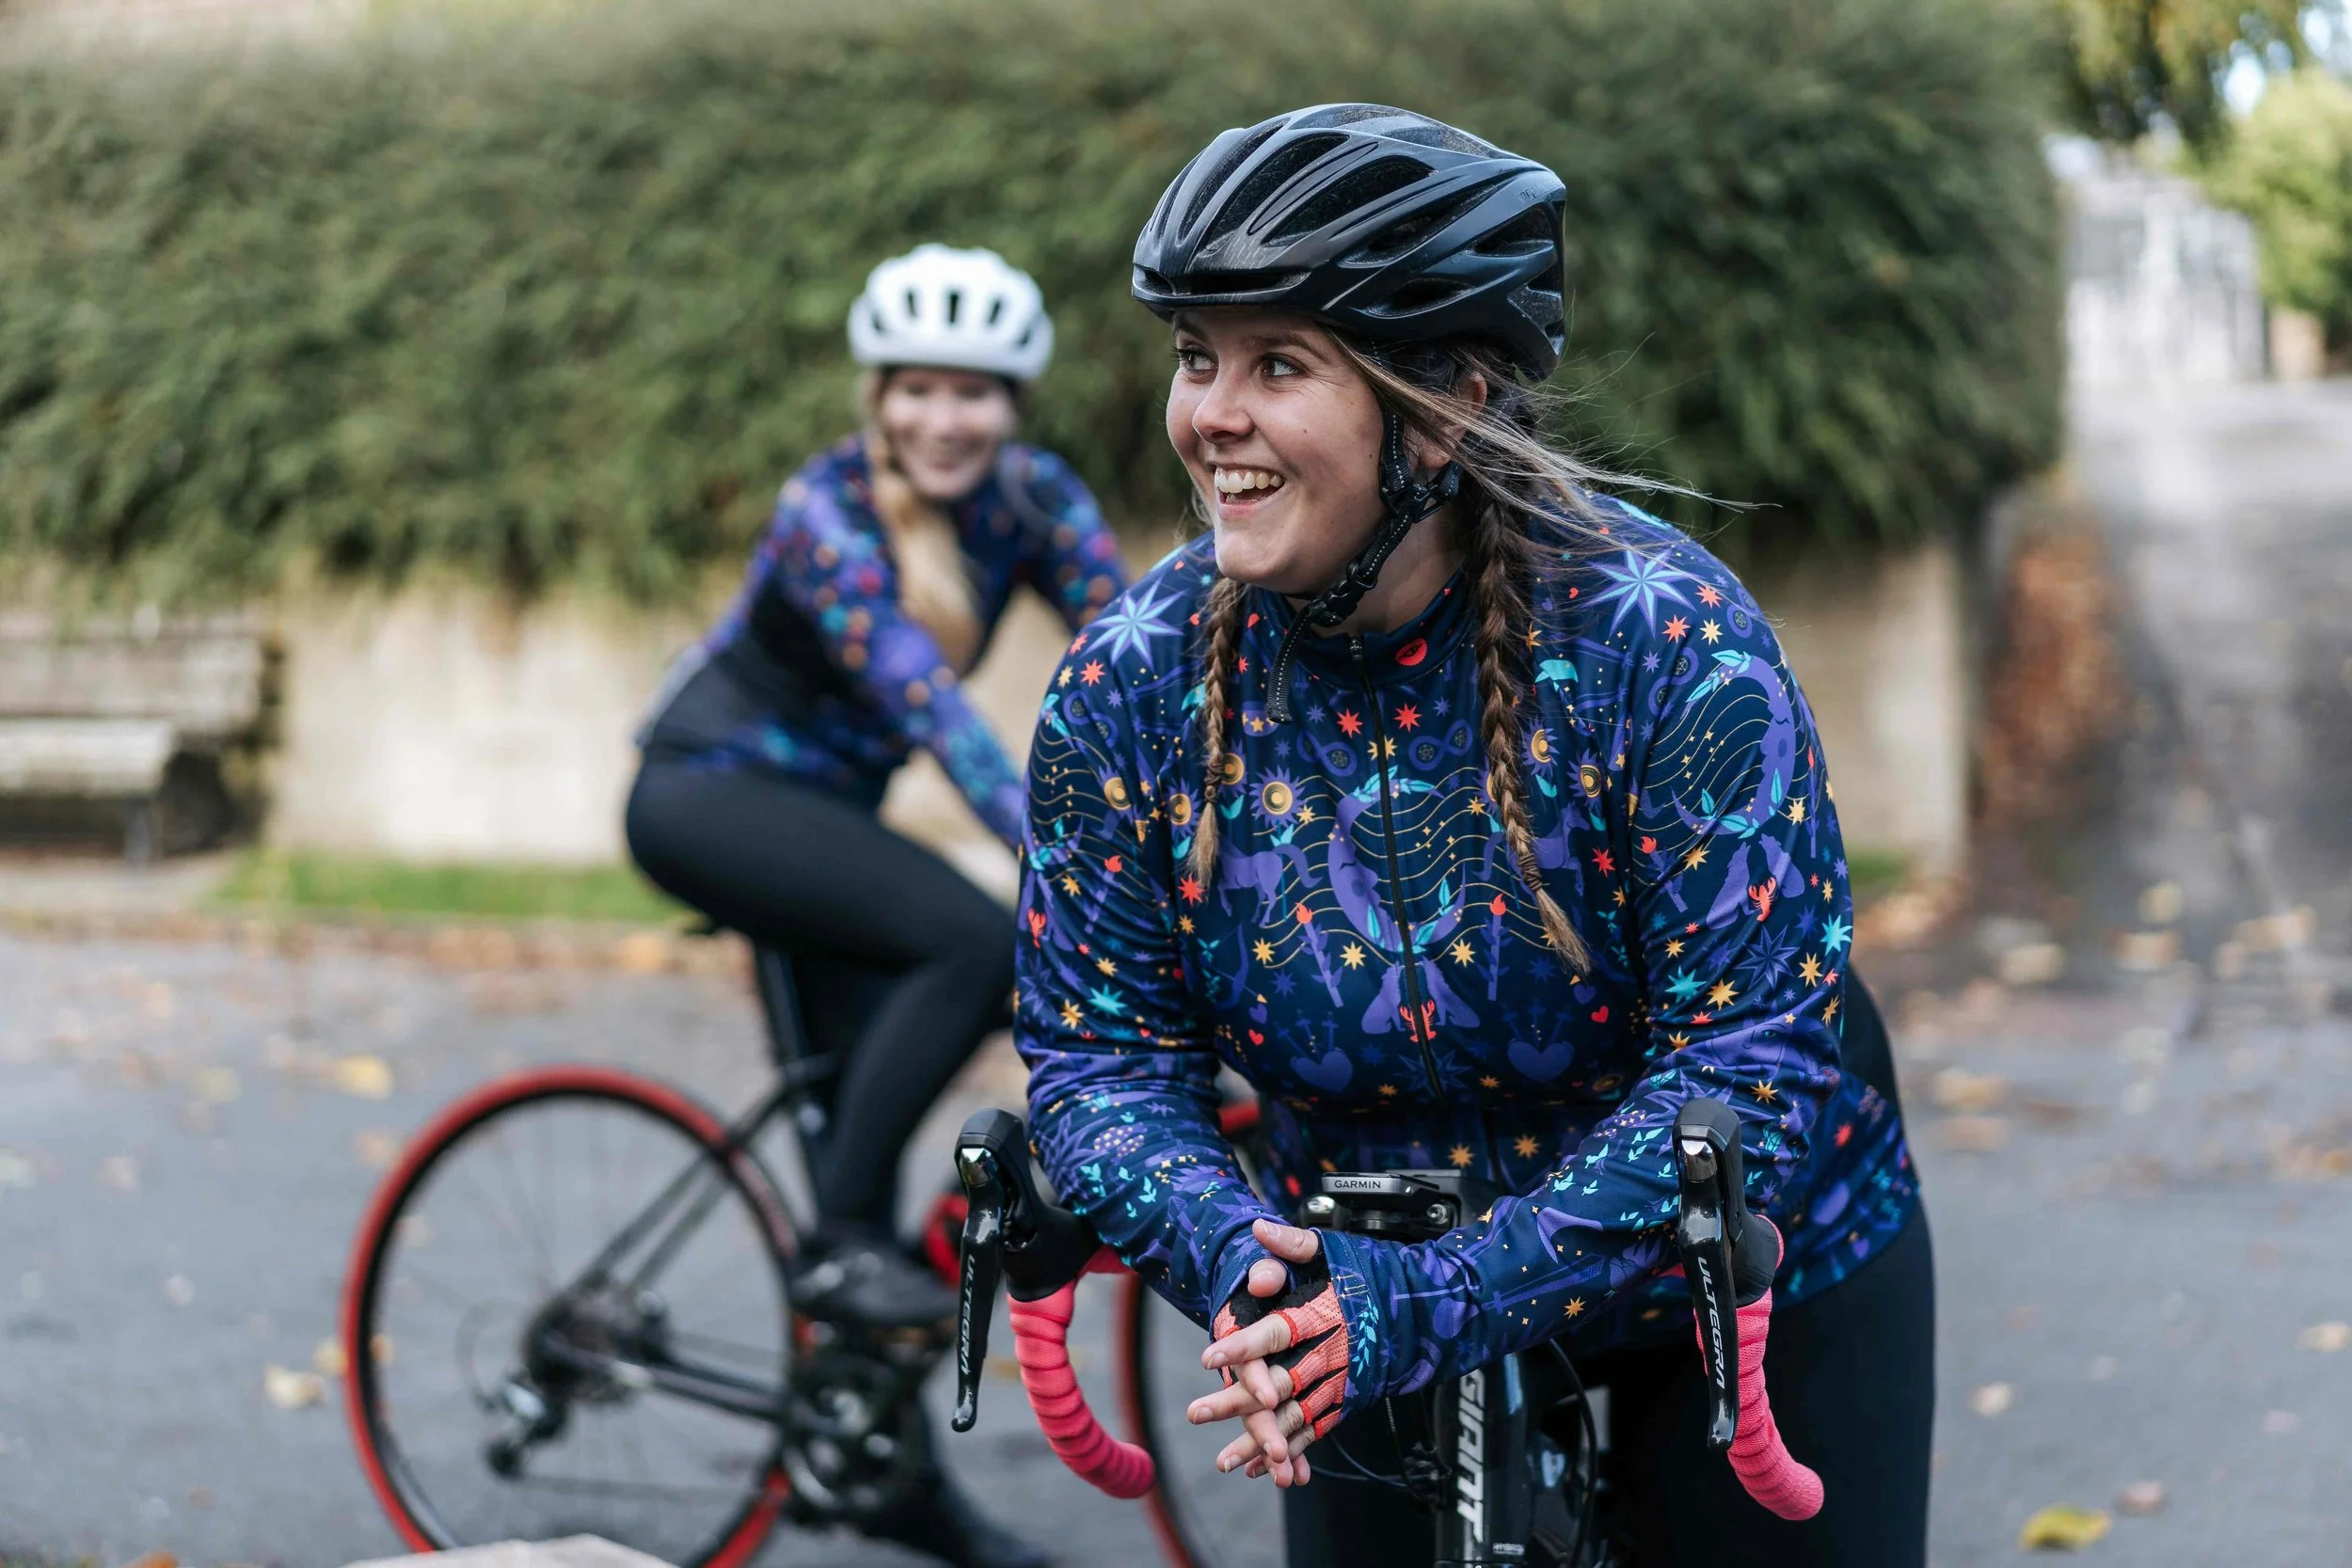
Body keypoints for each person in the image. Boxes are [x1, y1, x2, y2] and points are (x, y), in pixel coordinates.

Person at [1015, 105, 1931, 1566]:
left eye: (1280, 363)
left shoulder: (1663, 640)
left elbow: (1755, 1059)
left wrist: (1436, 1297)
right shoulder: (1129, 675)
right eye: (1197, 357)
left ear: (1441, 409)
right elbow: (1098, 1051)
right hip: (1356, 1287)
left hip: (1734, 1279)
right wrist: (1242, 1261)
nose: (1209, 413)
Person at [628, 243, 1122, 1566]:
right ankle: (843, 1246)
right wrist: (1069, 865)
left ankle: (879, 1467)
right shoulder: (823, 510)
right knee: (976, 939)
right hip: (706, 793)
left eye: (975, 393)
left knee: (872, 1120)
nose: (944, 420)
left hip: (827, 820)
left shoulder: (1033, 500)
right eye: (917, 390)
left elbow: (1138, 648)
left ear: (1014, 403)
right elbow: (937, 715)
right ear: (878, 395)